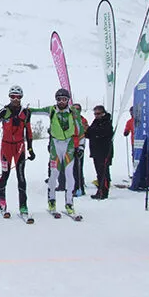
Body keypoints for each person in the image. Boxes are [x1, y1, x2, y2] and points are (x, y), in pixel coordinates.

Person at [29, 88, 84, 217]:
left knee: (70, 174)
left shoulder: (73, 112)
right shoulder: (52, 110)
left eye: (64, 99)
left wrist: (80, 147)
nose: (61, 102)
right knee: (54, 173)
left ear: (68, 100)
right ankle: (52, 201)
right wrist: (25, 110)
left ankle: (69, 203)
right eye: (59, 99)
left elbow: (80, 130)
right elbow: (37, 111)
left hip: (69, 144)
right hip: (55, 144)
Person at [0, 85, 34, 217]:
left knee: (21, 177)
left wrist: (30, 148)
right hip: (6, 147)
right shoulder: (4, 111)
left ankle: (23, 206)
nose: (15, 99)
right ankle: (2, 202)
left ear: (21, 97)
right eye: (13, 96)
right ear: (9, 97)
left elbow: (29, 132)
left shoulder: (26, 113)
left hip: (19, 147)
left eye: (18, 97)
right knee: (5, 174)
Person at [87, 105, 115, 200]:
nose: (96, 116)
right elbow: (88, 133)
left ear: (103, 113)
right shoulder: (96, 122)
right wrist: (91, 131)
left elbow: (103, 133)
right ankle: (100, 190)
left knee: (104, 172)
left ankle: (104, 192)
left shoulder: (106, 122)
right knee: (99, 172)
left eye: (98, 114)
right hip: (96, 151)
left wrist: (93, 132)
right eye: (95, 114)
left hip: (104, 152)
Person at [72, 103, 89, 197]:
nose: (76, 111)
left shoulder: (82, 120)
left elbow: (85, 132)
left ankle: (80, 188)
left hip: (79, 145)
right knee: (71, 168)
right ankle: (73, 187)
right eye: (74, 109)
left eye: (77, 109)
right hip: (70, 146)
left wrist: (81, 147)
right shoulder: (70, 118)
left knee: (78, 167)